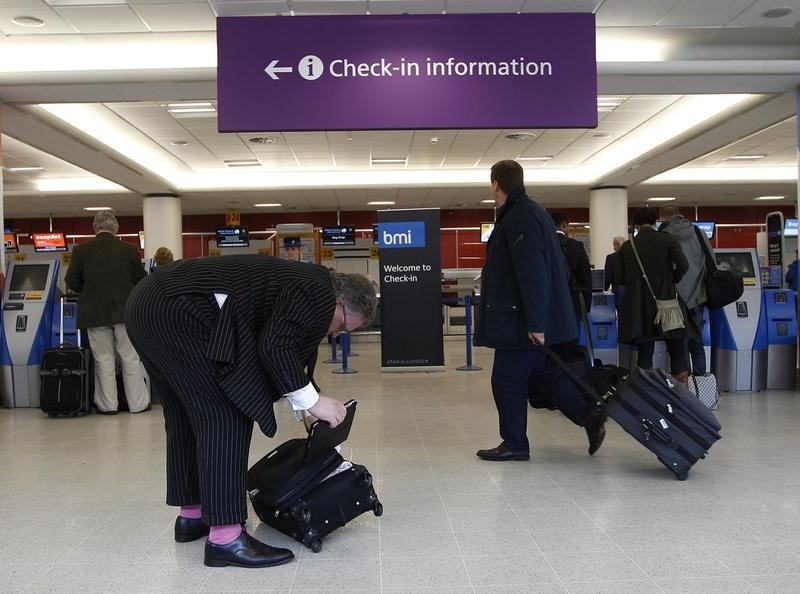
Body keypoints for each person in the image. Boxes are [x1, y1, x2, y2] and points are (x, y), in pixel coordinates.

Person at [125, 255, 376, 568]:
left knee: (185, 416)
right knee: (226, 411)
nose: (336, 335)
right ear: (338, 302)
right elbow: (275, 347)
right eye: (341, 327)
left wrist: (308, 407)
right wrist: (312, 402)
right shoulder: (317, 290)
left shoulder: (307, 283)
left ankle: (192, 516)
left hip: (147, 304)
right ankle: (225, 538)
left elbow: (285, 351)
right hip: (180, 308)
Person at [473, 160, 606, 462]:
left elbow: (532, 274)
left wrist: (536, 322)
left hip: (521, 321)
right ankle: (589, 416)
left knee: (505, 381)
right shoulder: (533, 213)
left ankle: (515, 444)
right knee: (544, 374)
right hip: (531, 317)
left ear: (495, 184)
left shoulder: (519, 217)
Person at [65, 211, 150, 414]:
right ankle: (137, 404)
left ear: (95, 228)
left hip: (94, 313)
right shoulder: (129, 250)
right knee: (130, 358)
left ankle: (108, 405)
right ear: (116, 229)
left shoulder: (81, 250)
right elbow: (141, 279)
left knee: (103, 359)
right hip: (125, 312)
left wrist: (88, 292)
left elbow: (71, 281)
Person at [615, 207, 693, 386]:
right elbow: (684, 265)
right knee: (676, 346)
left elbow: (619, 277)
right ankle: (681, 394)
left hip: (640, 304)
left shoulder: (629, 246)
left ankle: (646, 393)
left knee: (645, 348)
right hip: (667, 301)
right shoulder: (668, 239)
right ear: (655, 221)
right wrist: (671, 279)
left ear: (636, 224)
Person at [658, 205, 712, 374]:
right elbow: (711, 260)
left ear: (662, 218)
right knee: (696, 340)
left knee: (678, 343)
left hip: (675, 297)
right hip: (697, 296)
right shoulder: (699, 233)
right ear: (679, 214)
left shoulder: (664, 236)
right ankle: (701, 383)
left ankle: (684, 387)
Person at [551, 211, 592, 322]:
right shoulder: (576, 246)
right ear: (564, 224)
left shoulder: (544, 245)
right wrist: (586, 306)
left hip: (549, 303)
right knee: (573, 336)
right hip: (572, 302)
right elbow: (586, 277)